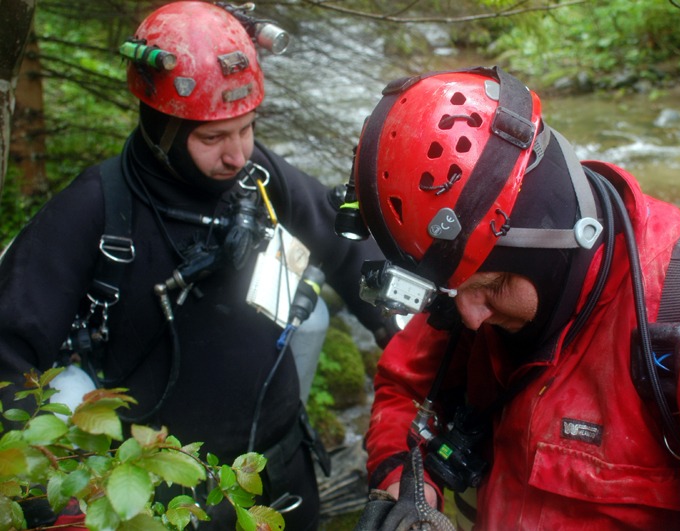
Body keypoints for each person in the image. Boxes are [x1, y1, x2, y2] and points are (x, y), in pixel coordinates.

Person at [342, 66, 680, 529]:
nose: (471, 317)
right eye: (452, 292)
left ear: (554, 246)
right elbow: (404, 388)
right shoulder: (471, 282)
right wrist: (407, 485)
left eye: (492, 288)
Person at [0, 2, 391, 529]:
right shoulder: (94, 211)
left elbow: (347, 251)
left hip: (280, 481)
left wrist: (410, 336)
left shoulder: (259, 176)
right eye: (213, 138)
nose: (237, 155)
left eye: (247, 128)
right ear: (161, 126)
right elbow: (7, 354)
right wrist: (51, 497)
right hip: (161, 502)